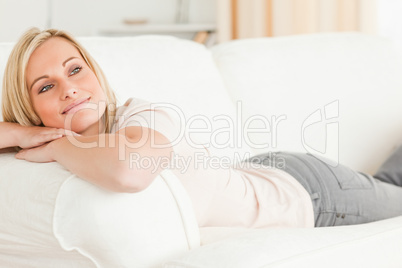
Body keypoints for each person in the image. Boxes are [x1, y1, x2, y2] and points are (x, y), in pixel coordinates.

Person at [1, 28, 402, 229]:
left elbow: (130, 170)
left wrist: (56, 144)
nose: (69, 88)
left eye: (75, 70)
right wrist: (18, 135)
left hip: (306, 193)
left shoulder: (138, 115)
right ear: (29, 109)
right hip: (252, 172)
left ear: (94, 73)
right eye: (47, 86)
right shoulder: (38, 141)